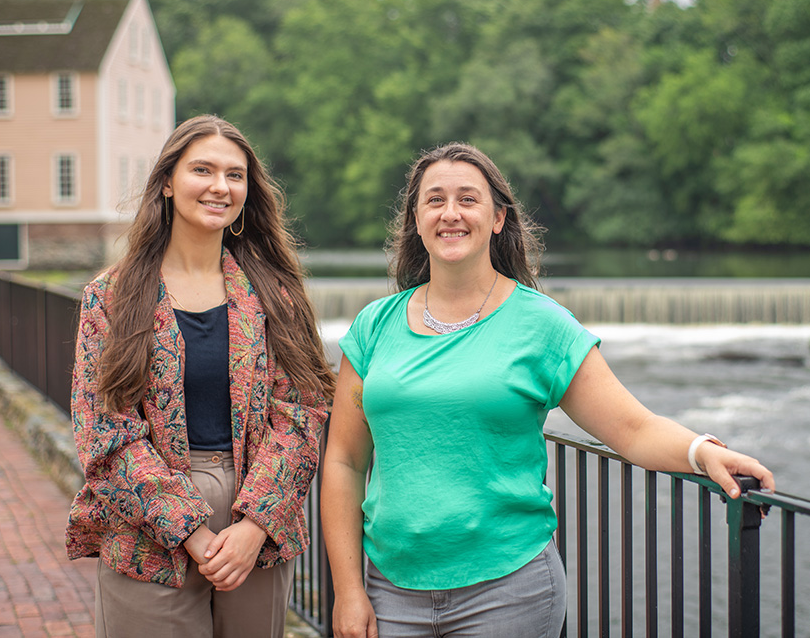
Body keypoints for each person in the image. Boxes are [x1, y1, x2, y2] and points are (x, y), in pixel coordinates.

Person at [321, 142, 776, 638]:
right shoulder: (374, 326)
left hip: (507, 594)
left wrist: (699, 452)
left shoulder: (542, 326)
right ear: (416, 218)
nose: (451, 213)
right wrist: (348, 590)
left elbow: (632, 427)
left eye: (468, 199)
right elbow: (345, 462)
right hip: (390, 590)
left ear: (498, 218)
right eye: (435, 200)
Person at [65, 115, 334, 637]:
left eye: (235, 175)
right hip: (147, 528)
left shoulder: (276, 294)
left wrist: (255, 525)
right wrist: (187, 529)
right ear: (167, 182)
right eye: (202, 170)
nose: (220, 186)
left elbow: (301, 415)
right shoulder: (112, 297)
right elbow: (104, 432)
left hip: (255, 520)